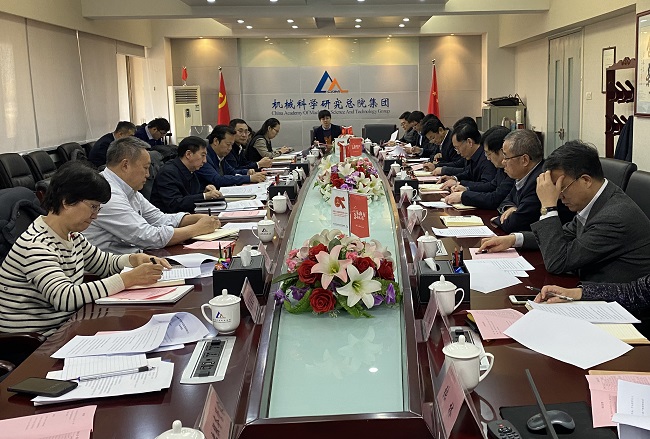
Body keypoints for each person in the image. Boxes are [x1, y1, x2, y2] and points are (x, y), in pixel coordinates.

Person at [0, 161, 170, 336]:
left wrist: (133, 260)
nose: (95, 216)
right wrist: (127, 279)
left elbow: (104, 264)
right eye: (93, 207)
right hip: (37, 341)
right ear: (67, 201)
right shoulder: (36, 245)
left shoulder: (71, 235)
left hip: (67, 326)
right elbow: (64, 297)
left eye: (98, 208)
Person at [480, 140, 650, 283]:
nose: (559, 195)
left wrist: (548, 206)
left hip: (619, 306)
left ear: (586, 180)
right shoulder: (599, 199)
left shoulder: (614, 217)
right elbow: (566, 234)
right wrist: (514, 239)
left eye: (562, 188)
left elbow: (558, 262)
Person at [84, 137, 221, 254]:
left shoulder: (129, 189)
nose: (148, 174)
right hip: (109, 270)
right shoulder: (107, 193)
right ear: (125, 165)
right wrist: (196, 229)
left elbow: (158, 219)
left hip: (133, 258)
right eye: (145, 168)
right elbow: (146, 236)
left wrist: (197, 218)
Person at [443, 126, 515, 209]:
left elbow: (495, 199)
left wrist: (463, 196)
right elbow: (491, 185)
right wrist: (466, 189)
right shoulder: (501, 168)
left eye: (488, 153)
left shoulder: (512, 170)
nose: (488, 158)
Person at [490, 129, 547, 233]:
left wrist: (497, 220)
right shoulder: (523, 175)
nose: (503, 162)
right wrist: (510, 208)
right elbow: (505, 200)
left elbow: (514, 224)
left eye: (506, 157)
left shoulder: (540, 181)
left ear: (524, 160)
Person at [150, 136, 222, 213]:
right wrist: (204, 196)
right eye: (203, 155)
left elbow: (190, 196)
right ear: (188, 154)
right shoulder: (167, 173)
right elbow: (174, 205)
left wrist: (204, 193)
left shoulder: (191, 170)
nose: (205, 161)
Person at [196, 125, 267, 188]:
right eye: (228, 144)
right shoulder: (204, 158)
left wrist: (248, 172)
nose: (230, 148)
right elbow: (218, 180)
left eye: (232, 145)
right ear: (216, 141)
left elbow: (231, 171)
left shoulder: (220, 155)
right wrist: (249, 178)